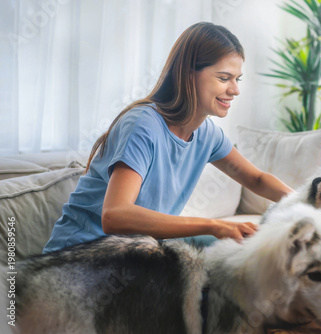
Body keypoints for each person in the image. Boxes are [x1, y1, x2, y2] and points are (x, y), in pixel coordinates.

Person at [43, 22, 293, 253]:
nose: (235, 90)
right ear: (188, 74)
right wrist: (214, 225)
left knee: (234, 251)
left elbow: (257, 179)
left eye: (237, 79)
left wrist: (309, 202)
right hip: (76, 258)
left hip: (132, 256)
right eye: (223, 78)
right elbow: (115, 215)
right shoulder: (143, 125)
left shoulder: (207, 135)